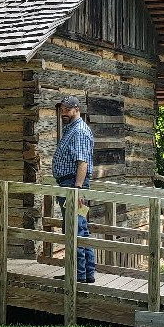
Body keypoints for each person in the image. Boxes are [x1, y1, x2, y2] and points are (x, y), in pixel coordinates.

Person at [51, 94, 95, 283]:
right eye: (62, 110)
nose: (64, 113)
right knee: (79, 228)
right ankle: (84, 274)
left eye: (67, 110)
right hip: (69, 184)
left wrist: (76, 188)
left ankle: (79, 275)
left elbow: (82, 162)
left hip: (72, 186)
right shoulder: (72, 129)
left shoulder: (79, 131)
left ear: (77, 109)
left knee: (75, 229)